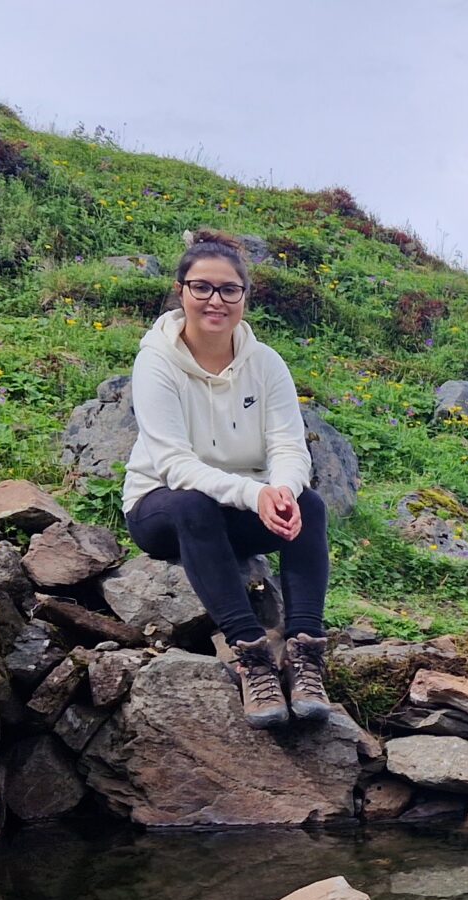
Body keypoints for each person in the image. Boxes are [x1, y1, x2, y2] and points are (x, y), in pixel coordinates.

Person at [121, 231, 333, 729]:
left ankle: (305, 655)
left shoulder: (266, 364)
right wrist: (253, 493)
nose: (215, 300)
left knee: (313, 506)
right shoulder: (156, 362)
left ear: (244, 296)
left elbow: (287, 444)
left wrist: (281, 490)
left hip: (243, 506)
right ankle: (251, 656)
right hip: (162, 509)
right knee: (192, 503)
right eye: (202, 288)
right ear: (181, 292)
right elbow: (173, 464)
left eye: (228, 290)